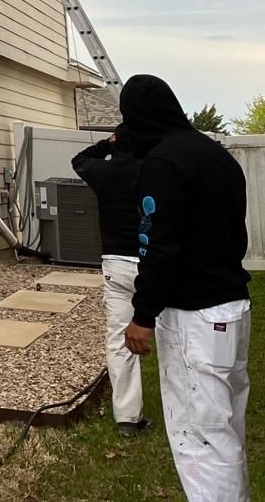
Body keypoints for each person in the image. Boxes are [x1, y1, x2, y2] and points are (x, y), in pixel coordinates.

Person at [118, 74, 251, 502]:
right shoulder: (216, 155)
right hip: (232, 307)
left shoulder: (163, 163)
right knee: (225, 426)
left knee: (200, 436)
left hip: (195, 316)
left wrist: (143, 315)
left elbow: (158, 245)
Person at [71, 127, 148, 437]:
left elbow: (79, 159)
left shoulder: (103, 171)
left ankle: (128, 418)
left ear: (117, 143)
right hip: (152, 262)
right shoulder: (151, 170)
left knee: (119, 340)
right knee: (172, 335)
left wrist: (106, 143)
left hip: (116, 263)